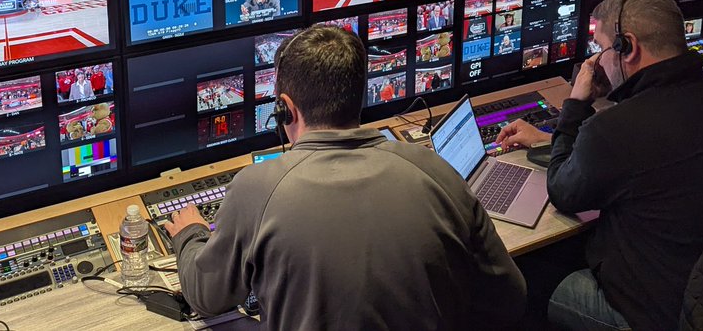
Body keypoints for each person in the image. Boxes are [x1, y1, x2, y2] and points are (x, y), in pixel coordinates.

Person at [165, 25, 525, 329]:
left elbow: (206, 296)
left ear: (285, 109)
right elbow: (510, 295)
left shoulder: (256, 188)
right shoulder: (434, 169)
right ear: (360, 96)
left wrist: (189, 234)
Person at [495, 0, 703, 331]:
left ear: (628, 47)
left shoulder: (615, 130)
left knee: (517, 279)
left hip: (652, 315)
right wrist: (550, 139)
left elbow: (563, 191)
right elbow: (644, 155)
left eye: (601, 49)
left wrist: (575, 105)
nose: (598, 62)